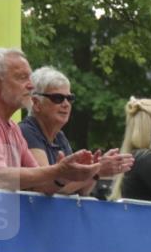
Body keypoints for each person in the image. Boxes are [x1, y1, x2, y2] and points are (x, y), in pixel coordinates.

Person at [0, 48, 105, 191]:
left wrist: (65, 176)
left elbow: (39, 185)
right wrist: (57, 171)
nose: (31, 85)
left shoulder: (13, 128)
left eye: (29, 78)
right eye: (22, 77)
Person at [20, 66, 131, 196]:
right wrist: (97, 170)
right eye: (58, 98)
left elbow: (81, 190)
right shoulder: (27, 131)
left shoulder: (59, 137)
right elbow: (45, 186)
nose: (66, 104)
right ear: (36, 103)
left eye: (70, 98)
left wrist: (94, 171)